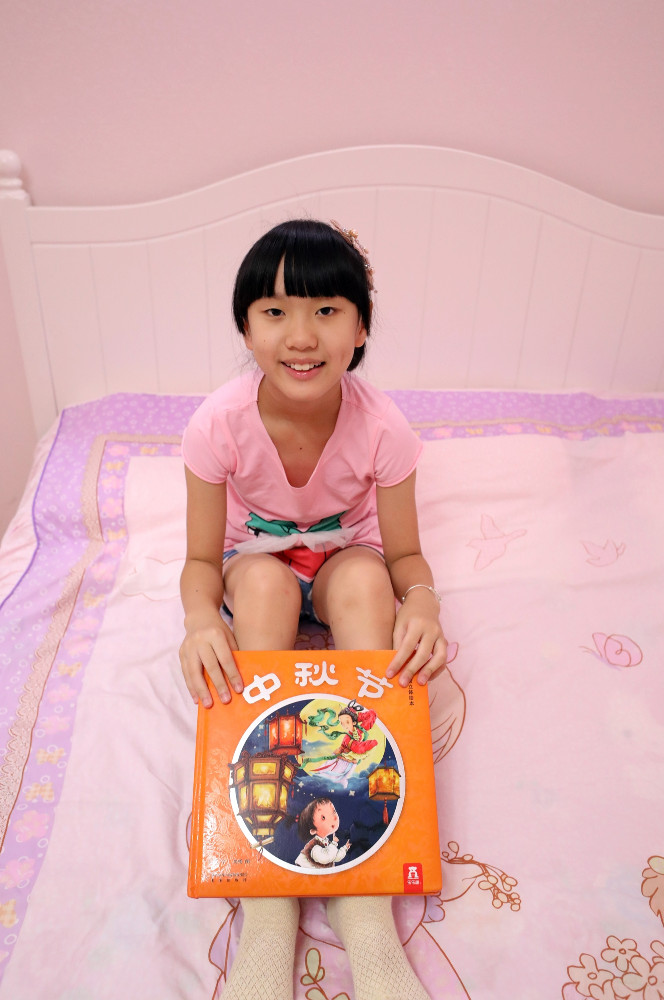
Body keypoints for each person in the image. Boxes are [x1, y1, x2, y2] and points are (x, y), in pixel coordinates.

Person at [179, 219, 448, 1000]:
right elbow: (202, 563)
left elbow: (404, 557)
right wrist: (202, 621)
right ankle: (269, 911)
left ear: (361, 327)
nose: (301, 336)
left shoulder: (383, 426)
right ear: (246, 327)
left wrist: (423, 603)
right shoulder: (217, 424)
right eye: (275, 312)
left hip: (344, 566)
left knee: (366, 582)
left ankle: (366, 911)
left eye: (326, 310)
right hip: (255, 568)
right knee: (263, 585)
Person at [295, 797, 351, 868]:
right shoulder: (314, 846)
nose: (334, 817)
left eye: (333, 811)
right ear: (313, 830)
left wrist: (345, 848)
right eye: (323, 817)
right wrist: (334, 843)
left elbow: (335, 857)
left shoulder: (327, 843)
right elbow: (325, 858)